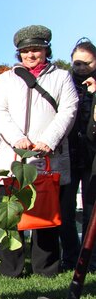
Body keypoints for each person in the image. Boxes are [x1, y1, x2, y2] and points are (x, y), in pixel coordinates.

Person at [0, 25, 78, 277]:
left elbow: (68, 110)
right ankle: (10, 269)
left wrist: (49, 140)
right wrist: (17, 138)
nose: (30, 55)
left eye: (36, 50)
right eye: (25, 51)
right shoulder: (7, 78)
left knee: (45, 213)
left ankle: (46, 268)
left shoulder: (61, 77)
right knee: (10, 214)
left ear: (46, 50)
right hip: (12, 156)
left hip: (48, 156)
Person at [59, 38, 96, 269]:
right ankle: (71, 257)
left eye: (87, 63)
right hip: (70, 153)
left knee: (92, 208)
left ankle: (92, 259)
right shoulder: (66, 83)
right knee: (65, 209)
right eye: (77, 64)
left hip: (92, 155)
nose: (81, 68)